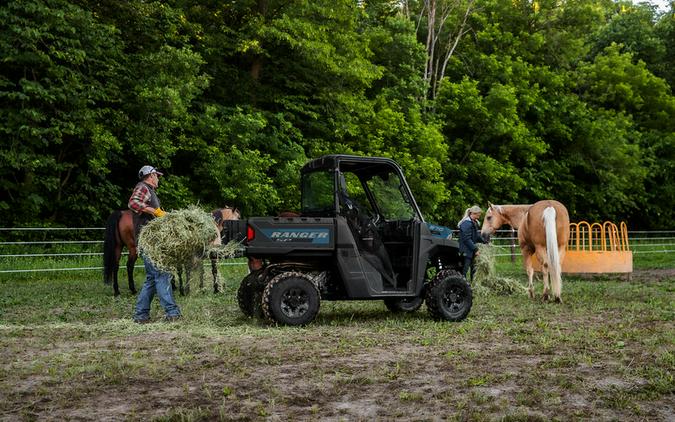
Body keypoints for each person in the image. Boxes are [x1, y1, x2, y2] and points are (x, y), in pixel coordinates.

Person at [130, 165, 181, 323]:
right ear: (150, 176)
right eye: (156, 176)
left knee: (152, 278)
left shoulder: (150, 191)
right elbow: (133, 203)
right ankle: (172, 312)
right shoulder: (143, 187)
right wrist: (154, 211)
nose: (158, 178)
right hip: (149, 241)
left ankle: (141, 315)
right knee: (162, 274)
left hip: (151, 241)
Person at [457, 205, 486, 282]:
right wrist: (475, 249)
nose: (479, 216)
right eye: (478, 214)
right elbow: (466, 239)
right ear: (473, 213)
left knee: (474, 268)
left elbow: (475, 235)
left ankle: (473, 285)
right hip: (465, 250)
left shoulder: (473, 222)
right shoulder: (466, 223)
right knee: (464, 270)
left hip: (470, 250)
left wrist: (484, 241)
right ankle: (461, 285)